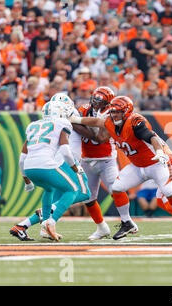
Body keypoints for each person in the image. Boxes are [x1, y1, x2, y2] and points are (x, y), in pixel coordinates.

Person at [69, 96, 172, 240]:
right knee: (117, 188)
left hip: (155, 163)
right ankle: (127, 223)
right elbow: (96, 122)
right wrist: (75, 120)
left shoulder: (135, 122)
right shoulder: (110, 122)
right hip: (138, 166)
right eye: (112, 112)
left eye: (118, 112)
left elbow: (152, 137)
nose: (114, 115)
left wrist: (158, 152)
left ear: (127, 111)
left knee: (169, 191)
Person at [11, 102, 90, 241]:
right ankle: (50, 222)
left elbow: (22, 158)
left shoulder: (33, 125)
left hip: (29, 168)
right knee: (72, 189)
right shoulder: (62, 123)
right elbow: (65, 151)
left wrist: (26, 181)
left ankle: (44, 225)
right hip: (45, 164)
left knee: (48, 190)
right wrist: (75, 168)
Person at [73, 87, 117, 240]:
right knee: (88, 197)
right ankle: (102, 227)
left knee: (116, 190)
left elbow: (100, 138)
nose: (96, 103)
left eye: (101, 101)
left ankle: (127, 221)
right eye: (95, 99)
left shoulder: (112, 113)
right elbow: (75, 126)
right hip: (86, 158)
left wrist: (78, 122)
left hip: (106, 158)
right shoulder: (84, 108)